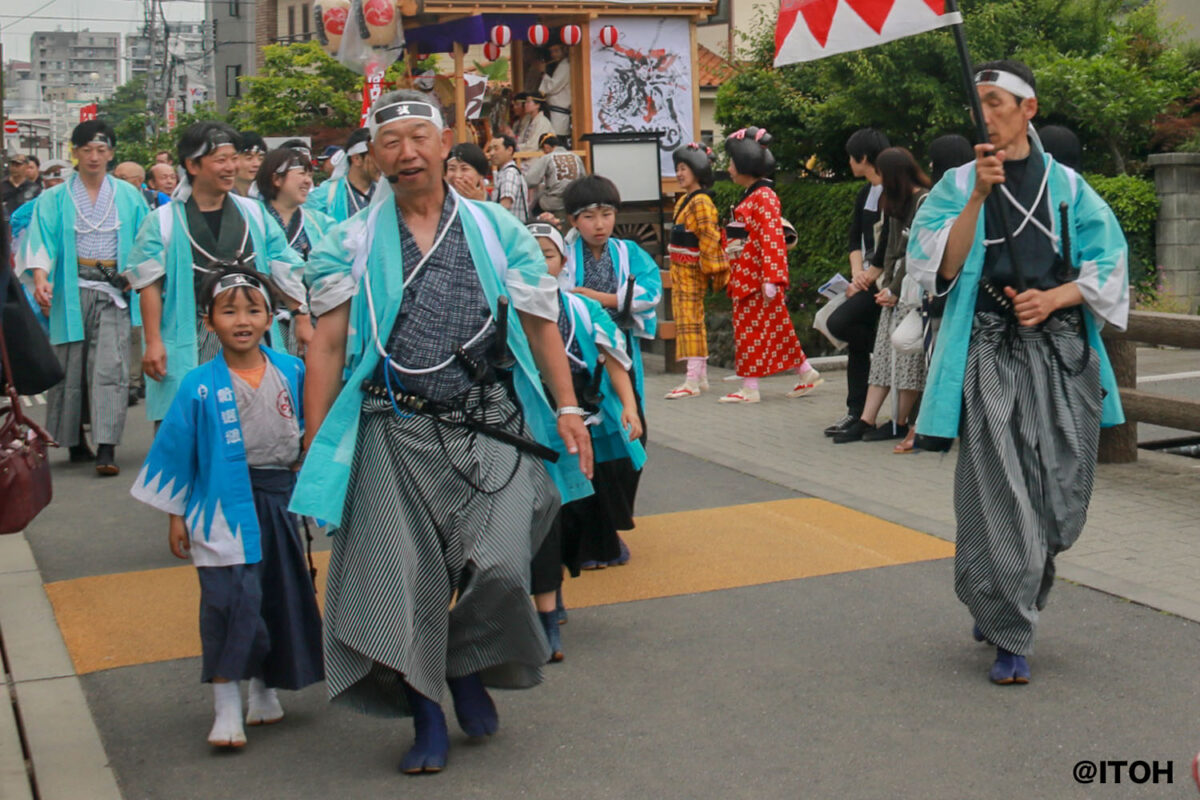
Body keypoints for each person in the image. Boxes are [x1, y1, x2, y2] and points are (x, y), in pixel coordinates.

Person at [291, 89, 595, 775]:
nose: (406, 152)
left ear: (443, 142)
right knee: (404, 582)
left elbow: (541, 319)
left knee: (501, 563)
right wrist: (317, 439)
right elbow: (328, 346)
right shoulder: (349, 241)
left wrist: (569, 407)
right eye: (390, 141)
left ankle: (464, 664)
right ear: (375, 155)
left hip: (491, 420)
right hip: (393, 424)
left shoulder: (496, 228)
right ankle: (427, 708)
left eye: (417, 138)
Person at [907, 60, 1128, 685]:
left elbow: (1109, 262)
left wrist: (1056, 298)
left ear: (1028, 108)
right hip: (991, 347)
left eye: (996, 100)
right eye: (977, 103)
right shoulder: (955, 184)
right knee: (999, 486)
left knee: (1063, 490)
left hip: (1060, 350)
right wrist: (977, 196)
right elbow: (937, 270)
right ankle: (1010, 628)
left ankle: (1006, 585)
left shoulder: (1069, 187)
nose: (986, 113)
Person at [130, 267, 324, 749]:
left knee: (276, 598)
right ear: (208, 320)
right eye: (229, 311)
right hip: (219, 506)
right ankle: (225, 706)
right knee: (228, 603)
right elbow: (177, 452)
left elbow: (313, 434)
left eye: (253, 310)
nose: (242, 320)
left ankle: (263, 690)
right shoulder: (197, 384)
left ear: (270, 318)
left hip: (279, 501)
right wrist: (176, 513)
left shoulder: (293, 371)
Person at [123, 121, 308, 424]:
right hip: (194, 331)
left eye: (234, 158)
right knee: (189, 425)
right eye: (221, 159)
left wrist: (301, 316)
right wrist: (154, 341)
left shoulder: (254, 213)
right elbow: (149, 286)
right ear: (192, 165)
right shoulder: (163, 221)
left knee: (257, 420)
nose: (231, 167)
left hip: (251, 331)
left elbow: (283, 266)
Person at [526, 221, 644, 661]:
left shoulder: (578, 308)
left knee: (571, 513)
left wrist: (629, 406)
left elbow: (613, 357)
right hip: (530, 428)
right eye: (531, 253)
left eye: (549, 254)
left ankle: (554, 583)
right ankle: (547, 597)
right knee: (542, 512)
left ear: (561, 262)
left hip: (581, 423)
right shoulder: (509, 307)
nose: (541, 262)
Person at [16, 120, 149, 474]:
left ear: (112, 153)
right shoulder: (55, 197)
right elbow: (41, 240)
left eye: (102, 150)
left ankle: (107, 446)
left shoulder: (129, 196)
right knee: (69, 367)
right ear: (74, 153)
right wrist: (42, 278)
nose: (94, 156)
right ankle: (74, 441)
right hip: (70, 290)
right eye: (86, 149)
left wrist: (135, 276)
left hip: (112, 291)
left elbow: (145, 242)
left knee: (111, 366)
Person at [560, 174, 661, 565]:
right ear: (572, 221)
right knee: (586, 446)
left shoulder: (629, 252)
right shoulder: (563, 253)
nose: (599, 224)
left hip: (620, 357)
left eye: (607, 214)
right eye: (589, 216)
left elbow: (648, 294)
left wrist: (595, 298)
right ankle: (594, 537)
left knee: (629, 441)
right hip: (577, 359)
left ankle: (612, 525)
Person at [832, 147, 930, 444]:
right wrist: (885, 283)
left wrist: (894, 288)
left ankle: (899, 422)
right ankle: (867, 418)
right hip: (893, 288)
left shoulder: (923, 201)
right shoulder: (895, 201)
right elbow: (887, 247)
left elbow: (914, 252)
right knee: (885, 356)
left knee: (904, 357)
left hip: (910, 290)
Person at [720, 127, 820, 403]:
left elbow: (771, 237)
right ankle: (805, 371)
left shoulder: (762, 196)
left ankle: (750, 388)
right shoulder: (758, 195)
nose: (728, 168)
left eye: (731, 162)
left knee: (750, 330)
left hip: (755, 275)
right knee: (777, 328)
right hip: (750, 272)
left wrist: (772, 278)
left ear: (745, 163)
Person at [824, 128, 889, 435]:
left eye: (852, 157)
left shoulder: (893, 190)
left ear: (864, 158)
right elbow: (854, 239)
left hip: (885, 280)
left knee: (841, 324)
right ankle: (858, 411)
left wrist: (867, 278)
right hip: (864, 278)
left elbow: (890, 243)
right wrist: (856, 275)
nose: (849, 162)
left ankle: (867, 410)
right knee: (854, 339)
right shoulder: (865, 192)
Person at [664, 143, 728, 399]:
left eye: (684, 169)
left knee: (690, 321)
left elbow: (708, 238)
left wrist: (715, 270)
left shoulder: (700, 201)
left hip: (691, 269)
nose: (679, 174)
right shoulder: (685, 200)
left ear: (698, 170)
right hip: (681, 269)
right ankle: (699, 375)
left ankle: (692, 379)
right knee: (688, 320)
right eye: (677, 169)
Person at [255, 147, 333, 356]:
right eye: (301, 174)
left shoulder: (320, 223)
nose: (309, 181)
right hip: (261, 322)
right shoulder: (252, 218)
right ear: (277, 179)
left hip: (312, 321)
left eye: (310, 175)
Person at [305, 129, 379, 221]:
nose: (383, 163)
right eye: (377, 157)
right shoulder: (325, 194)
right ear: (356, 159)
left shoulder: (387, 193)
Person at [525, 133, 584, 217]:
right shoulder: (576, 157)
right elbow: (583, 179)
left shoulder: (548, 158)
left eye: (543, 150)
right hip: (574, 200)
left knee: (534, 209)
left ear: (546, 147)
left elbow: (530, 180)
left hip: (553, 201)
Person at [486, 134, 529, 222]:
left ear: (509, 150)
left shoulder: (510, 173)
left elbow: (505, 204)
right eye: (490, 149)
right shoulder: (507, 171)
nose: (491, 153)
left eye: (496, 148)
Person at [539, 43, 572, 138]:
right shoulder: (561, 65)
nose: (554, 55)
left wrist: (542, 72)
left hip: (559, 112)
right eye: (551, 52)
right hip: (554, 112)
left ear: (564, 50)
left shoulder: (565, 66)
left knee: (557, 139)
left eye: (557, 51)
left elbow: (552, 87)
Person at [234, 132, 267, 197]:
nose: (257, 164)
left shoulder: (265, 197)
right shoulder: (220, 196)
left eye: (261, 158)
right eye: (249, 158)